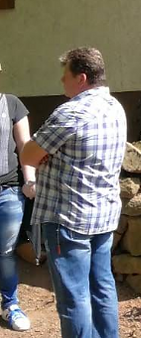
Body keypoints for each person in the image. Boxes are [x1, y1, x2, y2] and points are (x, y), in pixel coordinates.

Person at [21, 48, 127, 338]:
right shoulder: (115, 106)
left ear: (80, 78)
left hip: (69, 220)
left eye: (65, 74)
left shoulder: (73, 112)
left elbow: (29, 155)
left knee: (74, 298)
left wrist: (46, 156)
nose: (61, 79)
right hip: (103, 215)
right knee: (102, 287)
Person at [0, 65, 35, 331]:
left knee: (6, 253)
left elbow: (25, 146)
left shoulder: (12, 104)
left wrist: (30, 179)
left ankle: (9, 305)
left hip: (8, 191)